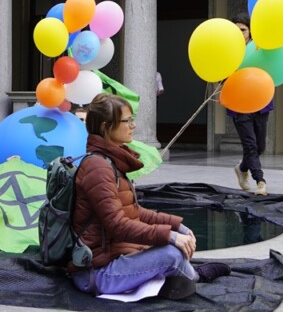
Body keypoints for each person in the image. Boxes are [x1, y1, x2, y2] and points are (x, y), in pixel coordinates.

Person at [69, 94, 201, 299]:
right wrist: (170, 236)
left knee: (168, 246)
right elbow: (118, 225)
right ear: (106, 127)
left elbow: (135, 212)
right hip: (96, 272)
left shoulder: (110, 161)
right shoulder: (98, 167)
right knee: (171, 254)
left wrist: (178, 227)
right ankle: (196, 277)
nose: (133, 125)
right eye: (127, 120)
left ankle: (176, 279)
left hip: (113, 258)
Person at [230, 14, 272, 195]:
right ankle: (260, 181)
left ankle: (242, 168)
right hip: (239, 104)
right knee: (250, 146)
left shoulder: (259, 49)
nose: (240, 33)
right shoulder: (227, 49)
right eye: (236, 30)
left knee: (260, 146)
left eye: (243, 30)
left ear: (250, 31)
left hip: (261, 102)